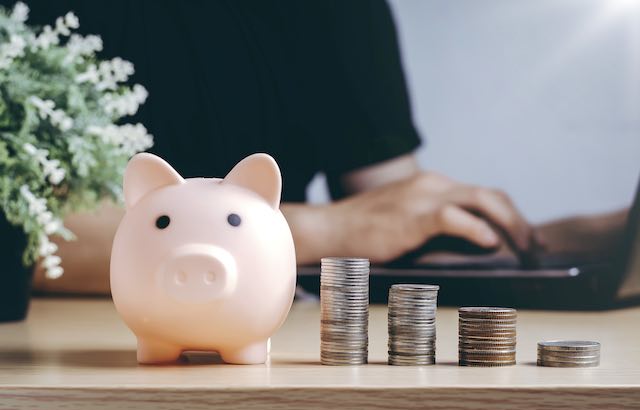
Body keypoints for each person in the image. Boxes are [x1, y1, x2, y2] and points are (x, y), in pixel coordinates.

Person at [19, 0, 624, 294]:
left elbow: (394, 215)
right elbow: (23, 238)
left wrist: (568, 244)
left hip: (270, 354)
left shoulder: (336, 11)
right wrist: (327, 230)